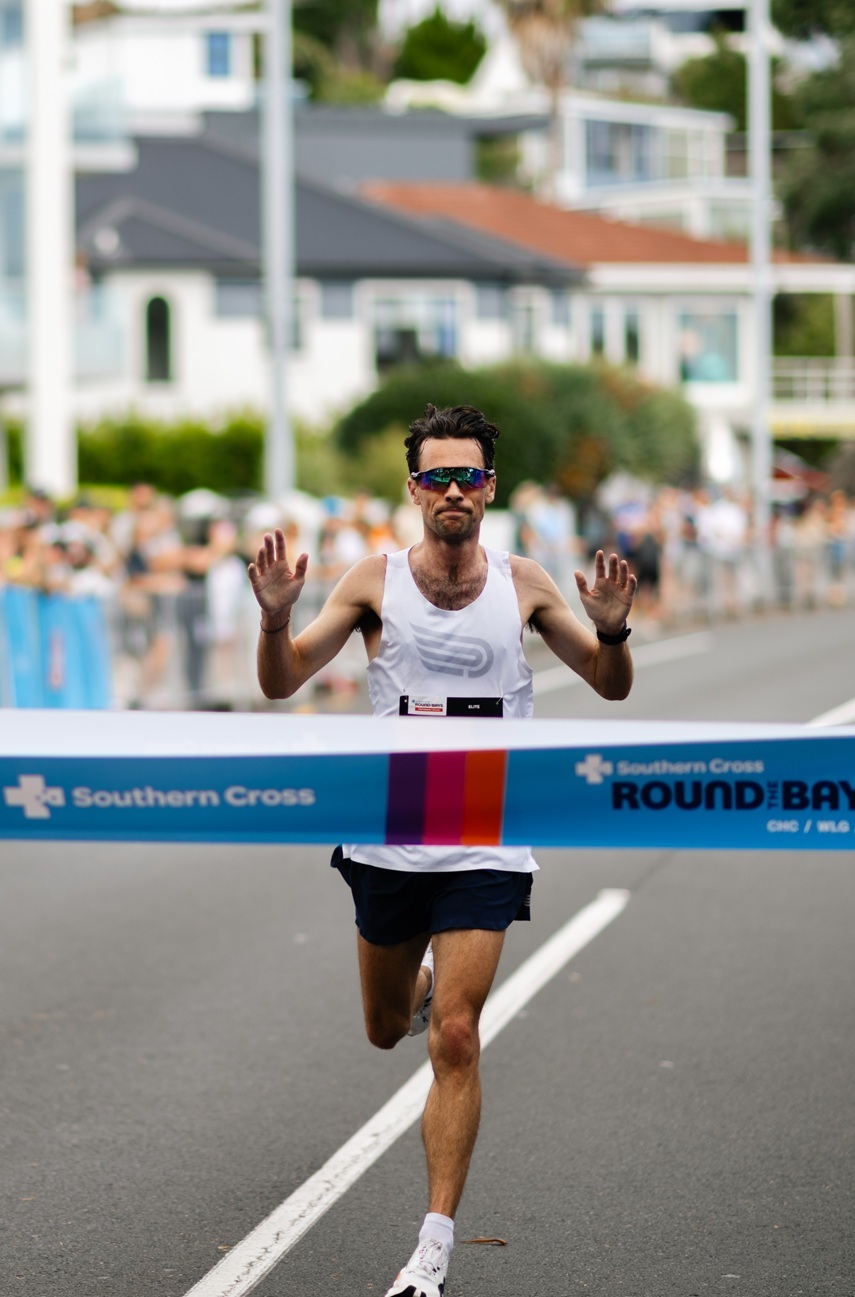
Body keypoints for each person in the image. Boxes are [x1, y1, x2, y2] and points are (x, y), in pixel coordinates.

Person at [248, 404, 636, 1297]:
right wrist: (275, 618)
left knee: (456, 1036)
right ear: (413, 488)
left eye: (468, 476)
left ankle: (431, 1250)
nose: (452, 491)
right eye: (436, 477)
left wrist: (611, 630)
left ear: (490, 487)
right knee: (389, 1027)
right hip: (388, 834)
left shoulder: (526, 581)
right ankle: (414, 987)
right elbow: (280, 680)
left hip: (485, 836)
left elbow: (610, 688)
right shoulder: (372, 580)